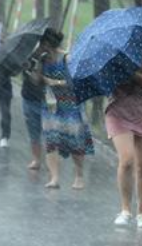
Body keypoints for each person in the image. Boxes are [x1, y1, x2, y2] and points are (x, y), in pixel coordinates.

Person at [107, 44, 142, 229]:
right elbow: (105, 81)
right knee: (127, 159)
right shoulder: (112, 51)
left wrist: (131, 72)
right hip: (118, 108)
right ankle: (125, 209)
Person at [38, 28, 94, 189]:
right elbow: (38, 81)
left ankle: (79, 175)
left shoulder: (67, 58)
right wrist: (36, 71)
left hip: (70, 105)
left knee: (75, 141)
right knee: (51, 141)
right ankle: (54, 177)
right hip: (50, 105)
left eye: (42, 43)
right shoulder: (42, 59)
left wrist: (55, 83)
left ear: (47, 43)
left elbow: (75, 82)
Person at [21, 51, 48, 170]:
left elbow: (37, 79)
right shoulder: (28, 56)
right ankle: (36, 159)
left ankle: (51, 162)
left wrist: (40, 69)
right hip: (29, 98)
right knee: (33, 133)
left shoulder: (50, 59)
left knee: (50, 134)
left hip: (46, 101)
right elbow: (26, 76)